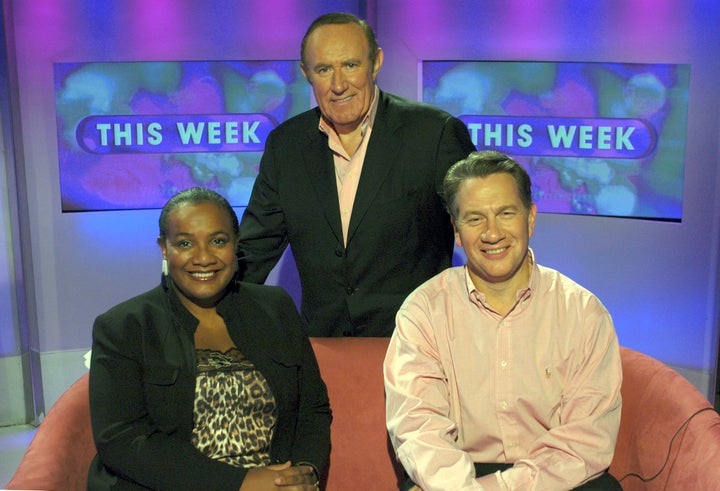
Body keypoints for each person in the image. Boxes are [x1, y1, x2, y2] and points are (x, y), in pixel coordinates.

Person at [384, 151, 623, 490]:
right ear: (456, 230)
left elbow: (586, 441)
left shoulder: (583, 312)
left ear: (530, 219)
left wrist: (500, 488)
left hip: (553, 477)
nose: (491, 233)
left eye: (505, 214)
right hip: (453, 477)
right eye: (474, 219)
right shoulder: (423, 311)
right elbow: (418, 428)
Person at [237, 12, 476, 337]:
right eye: (324, 69)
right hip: (326, 351)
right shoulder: (287, 146)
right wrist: (197, 310)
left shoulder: (435, 135)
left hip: (418, 348)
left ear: (375, 63)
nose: (338, 85)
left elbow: (480, 227)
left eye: (350, 65)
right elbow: (252, 252)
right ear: (306, 73)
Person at [88, 187, 331, 490]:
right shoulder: (124, 326)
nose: (203, 258)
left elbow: (313, 408)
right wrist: (240, 482)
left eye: (218, 241)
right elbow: (122, 441)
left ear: (236, 244)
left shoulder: (275, 308)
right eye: (185, 243)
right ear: (164, 249)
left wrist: (305, 471)